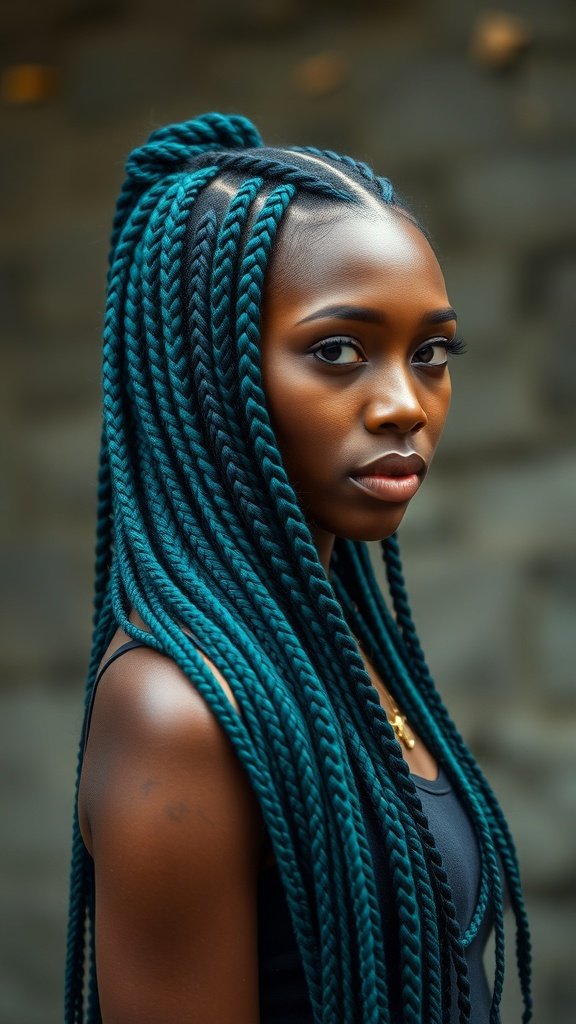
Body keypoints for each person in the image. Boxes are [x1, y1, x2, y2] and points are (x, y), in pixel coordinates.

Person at [65, 112, 532, 1024]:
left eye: (431, 354)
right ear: (207, 373)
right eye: (339, 351)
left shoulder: (335, 647)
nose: (405, 404)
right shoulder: (180, 711)